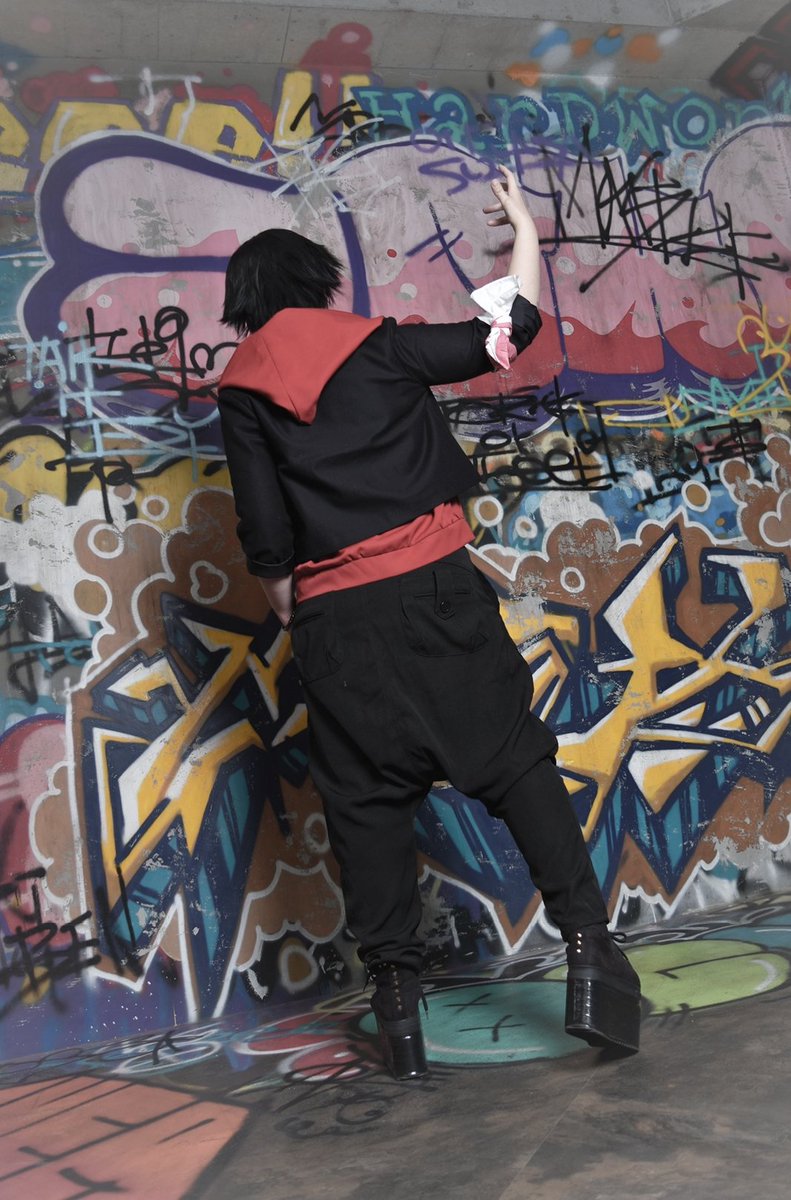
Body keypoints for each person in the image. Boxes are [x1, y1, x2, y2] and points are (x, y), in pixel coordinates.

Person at [217, 166, 641, 1080]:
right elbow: (508, 333)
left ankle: (397, 1011)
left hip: (332, 618)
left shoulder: (241, 390)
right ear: (317, 284)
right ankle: (590, 954)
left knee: (365, 805)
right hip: (435, 589)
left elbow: (264, 529)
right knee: (514, 764)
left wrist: (300, 609)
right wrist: (524, 233)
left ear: (246, 306)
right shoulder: (382, 347)